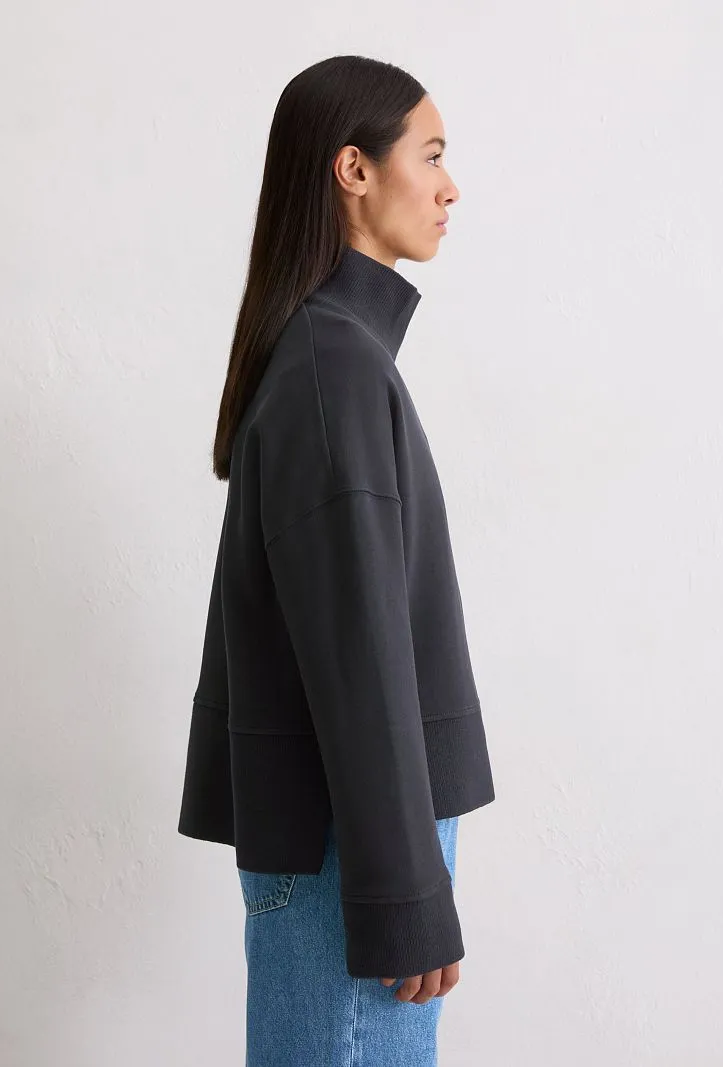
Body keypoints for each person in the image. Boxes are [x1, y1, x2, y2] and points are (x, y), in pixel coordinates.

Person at [177, 54, 496, 1066]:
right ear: (353, 169)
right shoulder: (334, 370)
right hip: (348, 851)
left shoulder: (326, 357)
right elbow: (359, 660)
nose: (450, 186)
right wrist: (403, 890)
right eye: (430, 156)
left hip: (339, 841)